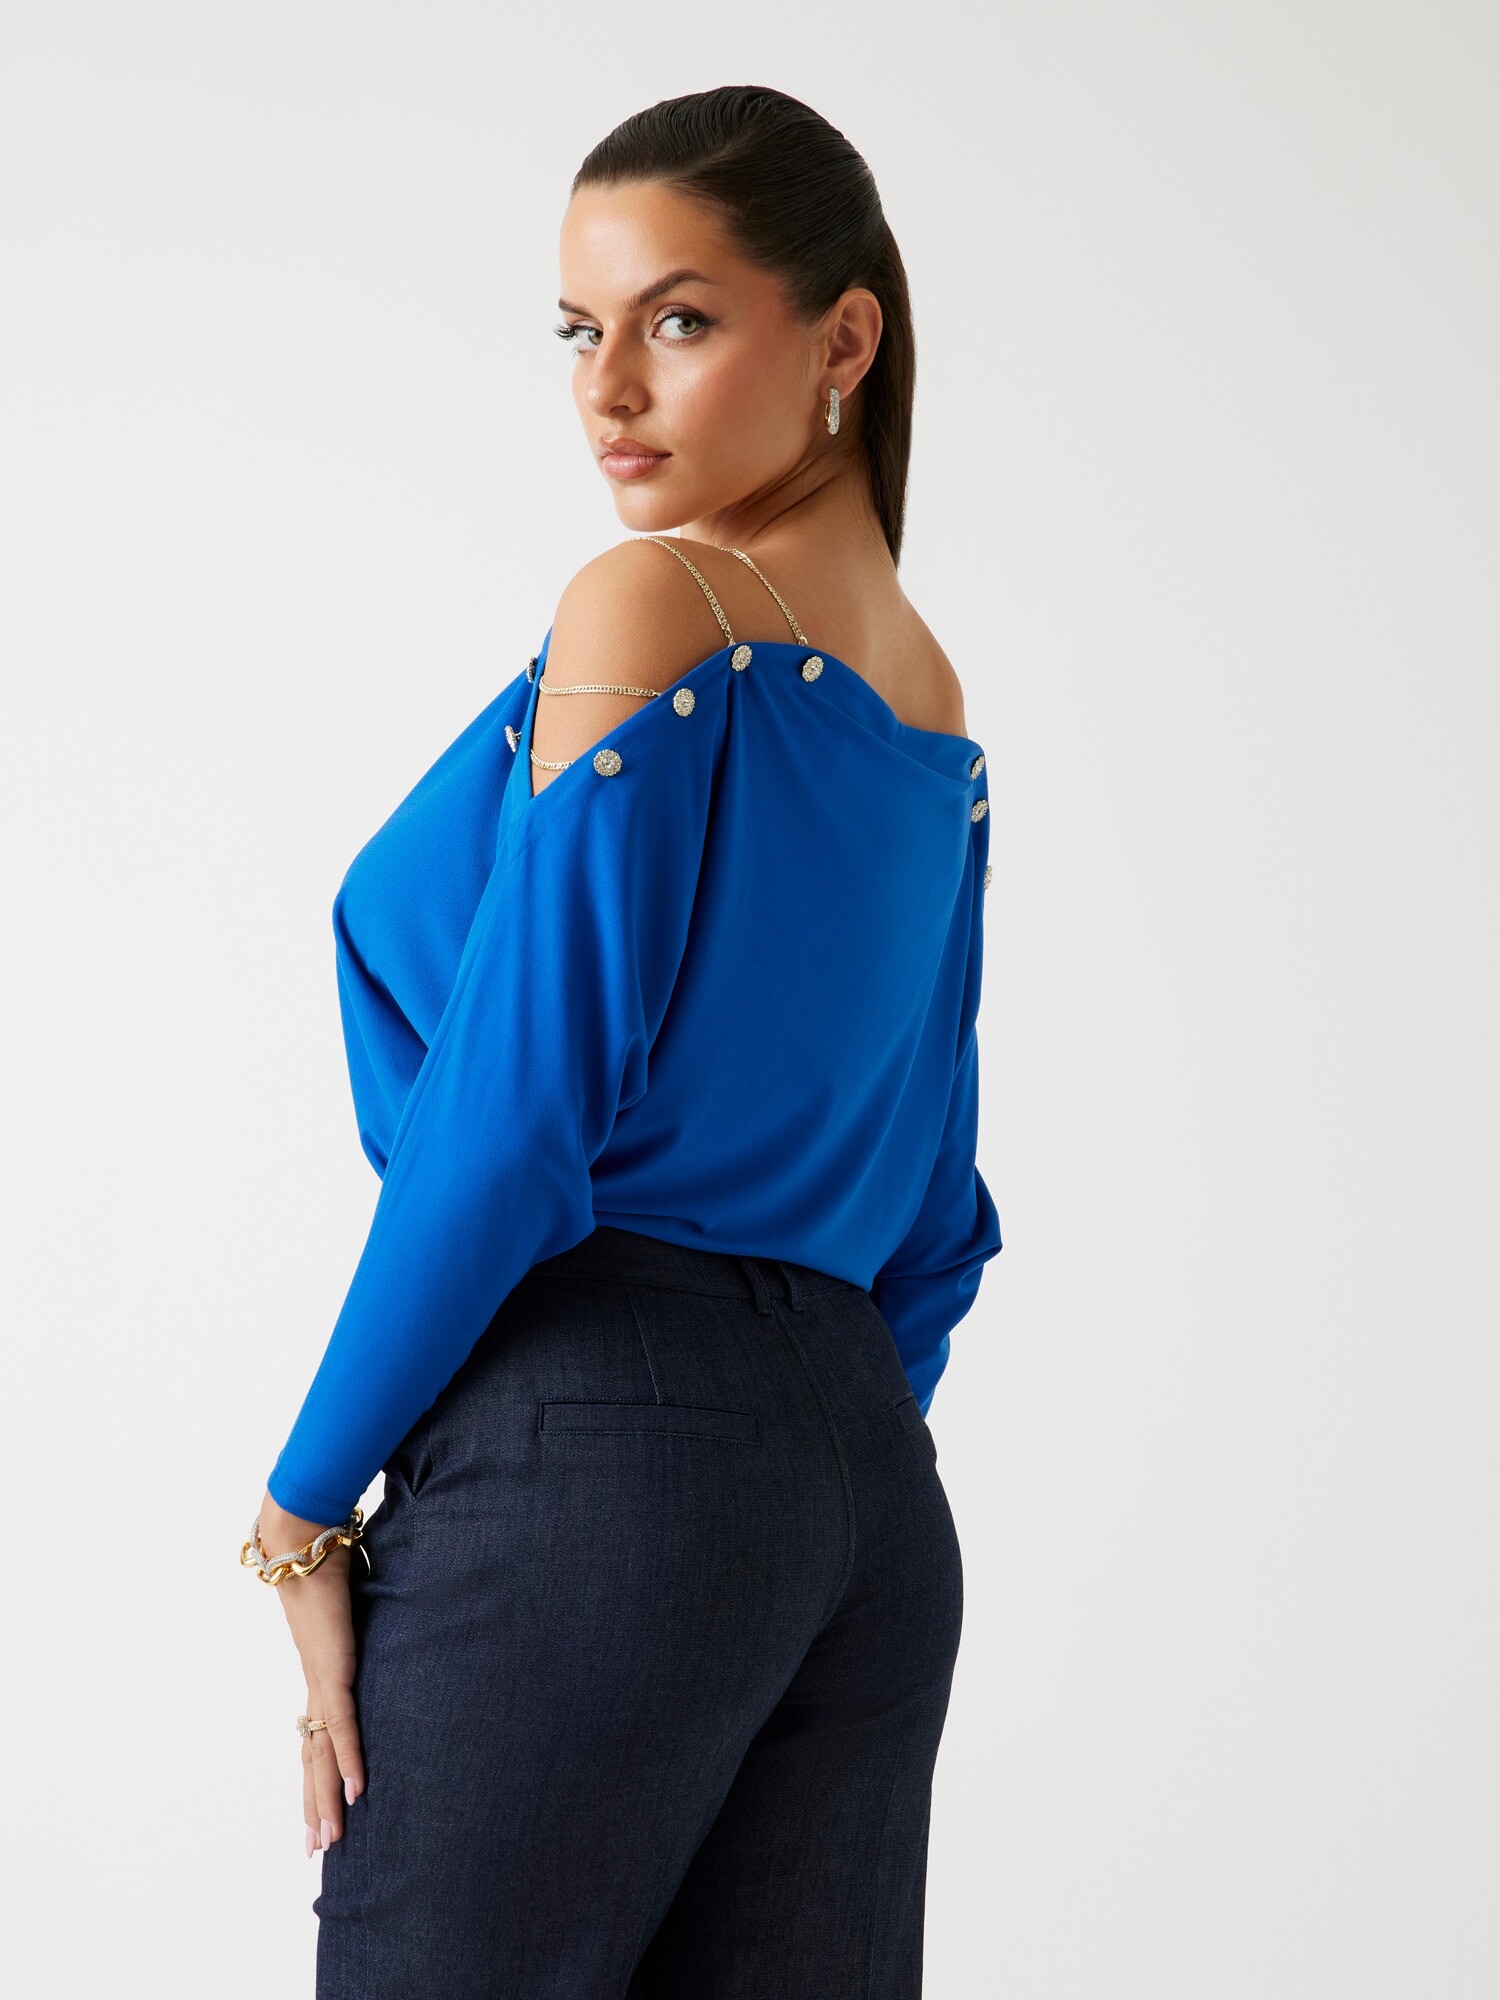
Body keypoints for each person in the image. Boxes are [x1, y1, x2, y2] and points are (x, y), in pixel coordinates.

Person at [241, 83, 1004, 1999]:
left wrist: (305, 1505)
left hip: (599, 1443)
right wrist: (794, 1464)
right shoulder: (934, 712)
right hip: (862, 1502)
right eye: (580, 330)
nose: (609, 390)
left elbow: (513, 1125)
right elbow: (934, 1218)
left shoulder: (655, 605)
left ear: (843, 338)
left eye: (678, 319)